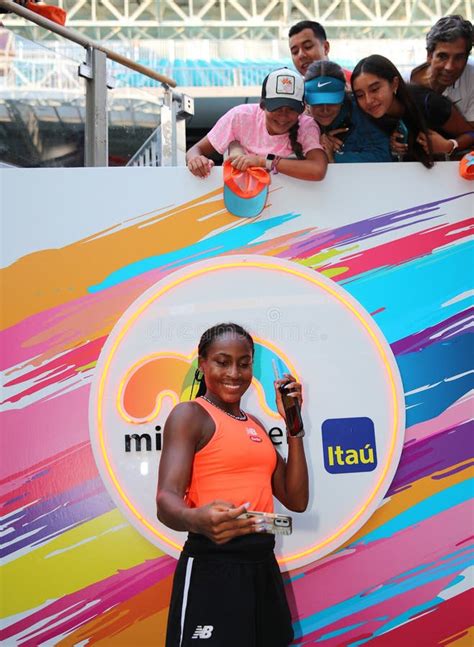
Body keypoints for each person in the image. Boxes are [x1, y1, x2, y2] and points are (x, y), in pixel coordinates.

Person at [156, 322, 309, 647]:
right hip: (213, 565)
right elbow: (166, 499)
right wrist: (195, 518)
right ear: (202, 364)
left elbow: (296, 499)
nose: (234, 373)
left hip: (262, 565)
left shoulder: (255, 424)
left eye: (244, 362)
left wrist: (293, 422)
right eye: (222, 361)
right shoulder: (189, 415)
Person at [186, 67, 327, 182]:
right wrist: (197, 161)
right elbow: (195, 150)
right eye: (276, 107)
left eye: (291, 109)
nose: (283, 116)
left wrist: (262, 162)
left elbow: (318, 170)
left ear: (302, 110)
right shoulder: (240, 116)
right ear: (262, 104)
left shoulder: (307, 125)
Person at [351, 54, 474, 165]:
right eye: (360, 95)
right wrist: (391, 145)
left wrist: (449, 145)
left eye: (375, 89)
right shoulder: (365, 115)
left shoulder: (429, 104)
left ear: (394, 84)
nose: (368, 100)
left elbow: (471, 133)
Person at [304, 60, 392, 163]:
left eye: (332, 102)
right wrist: (313, 142)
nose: (325, 109)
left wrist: (334, 157)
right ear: (306, 101)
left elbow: (383, 156)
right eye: (317, 103)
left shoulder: (362, 112)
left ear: (343, 95)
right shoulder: (296, 118)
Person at [410, 15, 474, 126]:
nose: (449, 67)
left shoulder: (471, 80)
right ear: (429, 56)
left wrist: (451, 144)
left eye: (458, 57)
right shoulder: (405, 82)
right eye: (443, 56)